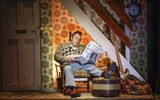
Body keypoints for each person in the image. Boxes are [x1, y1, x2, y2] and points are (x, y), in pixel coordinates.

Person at [54, 31, 118, 98]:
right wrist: (66, 58)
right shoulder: (62, 46)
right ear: (71, 37)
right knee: (67, 68)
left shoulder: (83, 47)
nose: (78, 40)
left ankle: (104, 74)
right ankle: (72, 89)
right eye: (76, 38)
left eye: (79, 39)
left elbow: (87, 56)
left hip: (83, 64)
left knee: (91, 66)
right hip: (70, 64)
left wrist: (97, 56)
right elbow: (56, 56)